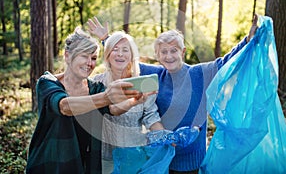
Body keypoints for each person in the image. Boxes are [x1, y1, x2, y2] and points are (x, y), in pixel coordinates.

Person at [87, 15, 258, 173]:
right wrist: (106, 39)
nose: (169, 56)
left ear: (182, 52)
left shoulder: (199, 74)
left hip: (191, 159)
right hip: (161, 158)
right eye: (164, 52)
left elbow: (226, 62)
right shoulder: (155, 76)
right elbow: (124, 57)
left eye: (174, 50)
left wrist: (248, 40)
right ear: (158, 55)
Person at [26, 27, 145, 174]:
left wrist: (134, 101)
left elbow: (113, 109)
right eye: (84, 56)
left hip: (82, 162)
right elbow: (65, 107)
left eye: (94, 58)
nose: (89, 63)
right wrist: (107, 97)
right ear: (67, 56)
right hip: (51, 162)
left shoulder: (95, 87)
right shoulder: (48, 82)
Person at [91, 31, 165, 173]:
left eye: (125, 50)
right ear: (107, 55)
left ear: (131, 56)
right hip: (105, 157)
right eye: (115, 49)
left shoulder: (142, 84)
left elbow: (151, 117)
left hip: (133, 155)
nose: (120, 54)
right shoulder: (96, 83)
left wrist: (164, 136)